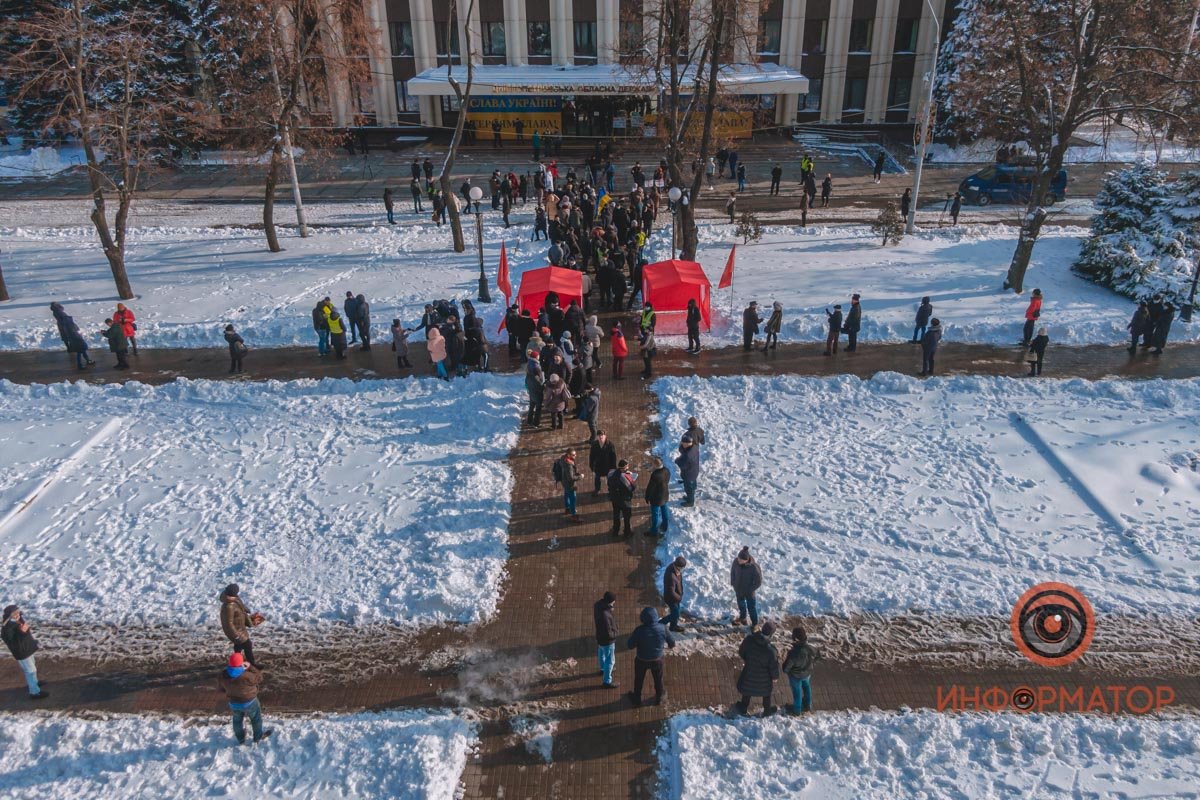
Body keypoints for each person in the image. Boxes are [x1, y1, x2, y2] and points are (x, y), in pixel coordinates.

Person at [218, 652, 272, 745]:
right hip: (250, 702)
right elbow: (259, 677)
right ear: (241, 663)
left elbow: (221, 689)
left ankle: (241, 739)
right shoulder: (247, 675)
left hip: (234, 703)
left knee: (237, 720)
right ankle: (257, 737)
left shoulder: (223, 675)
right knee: (256, 719)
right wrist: (250, 667)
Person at [626, 606, 675, 707]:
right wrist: (670, 646)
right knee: (658, 679)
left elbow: (630, 645)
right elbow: (672, 642)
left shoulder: (639, 630)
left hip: (641, 659)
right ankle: (659, 697)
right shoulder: (662, 627)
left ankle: (637, 699)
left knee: (639, 679)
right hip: (657, 660)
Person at [2, 605, 47, 700]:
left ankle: (34, 682)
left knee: (32, 667)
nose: (17, 615)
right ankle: (34, 692)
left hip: (27, 649)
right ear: (9, 616)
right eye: (14, 614)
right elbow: (14, 643)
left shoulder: (19, 620)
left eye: (17, 612)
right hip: (22, 653)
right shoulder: (7, 629)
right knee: (30, 671)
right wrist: (22, 632)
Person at [735, 620, 779, 716]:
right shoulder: (771, 651)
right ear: (771, 635)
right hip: (765, 679)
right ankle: (767, 710)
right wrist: (775, 677)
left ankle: (743, 707)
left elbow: (741, 652)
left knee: (747, 690)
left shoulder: (749, 640)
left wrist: (748, 660)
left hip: (749, 672)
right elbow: (774, 667)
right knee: (766, 694)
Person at [219, 583, 262, 668]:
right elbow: (228, 624)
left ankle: (236, 662)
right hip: (237, 630)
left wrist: (245, 609)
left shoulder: (233, 598)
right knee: (247, 645)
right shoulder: (229, 606)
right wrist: (236, 636)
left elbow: (239, 603)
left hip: (240, 626)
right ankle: (252, 664)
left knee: (238, 646)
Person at [782, 626, 821, 714]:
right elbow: (818, 656)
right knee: (807, 687)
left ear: (796, 639)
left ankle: (797, 710)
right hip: (807, 673)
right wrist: (810, 663)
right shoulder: (811, 648)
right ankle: (807, 705)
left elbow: (786, 668)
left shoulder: (793, 653)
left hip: (795, 676)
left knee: (797, 692)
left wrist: (788, 670)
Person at [730, 547, 763, 628]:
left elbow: (758, 582)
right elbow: (732, 572)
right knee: (741, 605)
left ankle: (755, 624)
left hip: (749, 593)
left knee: (751, 608)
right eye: (738, 558)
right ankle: (743, 618)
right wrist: (733, 583)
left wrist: (750, 590)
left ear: (746, 560)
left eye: (741, 560)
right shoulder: (736, 561)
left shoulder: (754, 567)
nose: (739, 560)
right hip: (738, 590)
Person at [594, 591, 619, 688]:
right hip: (607, 640)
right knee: (610, 660)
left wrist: (610, 608)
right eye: (613, 601)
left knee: (601, 652)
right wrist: (615, 634)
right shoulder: (606, 614)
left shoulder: (597, 605)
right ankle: (607, 681)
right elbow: (609, 632)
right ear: (610, 602)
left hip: (600, 637)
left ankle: (603, 669)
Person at [607, 459, 637, 537]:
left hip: (614, 498)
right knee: (627, 517)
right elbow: (631, 487)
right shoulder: (624, 477)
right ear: (624, 468)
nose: (628, 467)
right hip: (624, 500)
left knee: (616, 515)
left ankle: (615, 531)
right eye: (627, 466)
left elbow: (609, 483)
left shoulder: (611, 473)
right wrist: (630, 477)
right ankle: (627, 532)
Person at [553, 448, 583, 523]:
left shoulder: (563, 458)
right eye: (573, 455)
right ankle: (574, 515)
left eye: (575, 454)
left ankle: (567, 508)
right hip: (570, 484)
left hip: (564, 482)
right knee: (573, 499)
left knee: (566, 495)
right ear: (569, 455)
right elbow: (571, 478)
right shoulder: (569, 465)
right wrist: (580, 477)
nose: (575, 456)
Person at [644, 456, 670, 535]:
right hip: (665, 495)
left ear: (655, 465)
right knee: (664, 510)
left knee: (655, 514)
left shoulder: (655, 475)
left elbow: (650, 488)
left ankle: (654, 531)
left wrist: (647, 497)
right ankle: (665, 525)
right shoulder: (666, 470)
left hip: (656, 498)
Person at [660, 555, 686, 632]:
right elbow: (671, 592)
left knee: (676, 613)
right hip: (671, 598)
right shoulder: (671, 576)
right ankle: (659, 624)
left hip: (676, 597)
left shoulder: (675, 569)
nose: (682, 569)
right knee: (675, 614)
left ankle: (673, 627)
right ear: (677, 566)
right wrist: (679, 597)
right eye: (681, 567)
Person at [589, 430, 617, 496]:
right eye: (599, 435)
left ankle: (611, 490)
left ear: (605, 436)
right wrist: (591, 465)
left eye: (602, 435)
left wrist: (613, 467)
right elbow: (591, 456)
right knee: (597, 478)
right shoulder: (594, 445)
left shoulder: (610, 445)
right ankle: (597, 489)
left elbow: (613, 457)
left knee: (609, 479)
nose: (600, 437)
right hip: (598, 466)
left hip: (608, 466)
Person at [675, 434, 699, 507]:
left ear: (687, 444)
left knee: (688, 488)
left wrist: (677, 461)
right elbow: (682, 451)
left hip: (688, 474)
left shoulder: (688, 455)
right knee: (692, 484)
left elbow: (683, 466)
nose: (681, 444)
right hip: (694, 471)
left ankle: (690, 502)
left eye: (682, 443)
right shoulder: (694, 447)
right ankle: (691, 494)